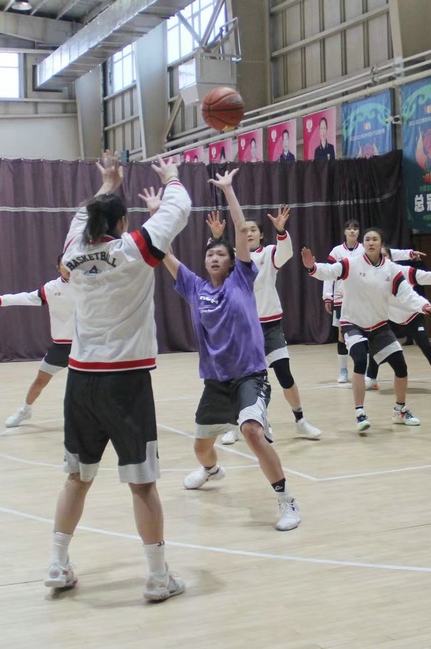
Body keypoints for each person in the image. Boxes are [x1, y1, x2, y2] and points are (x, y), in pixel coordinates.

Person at [47, 152, 190, 601]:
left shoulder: (73, 253)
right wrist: (172, 178)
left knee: (77, 477)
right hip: (125, 381)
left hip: (80, 379)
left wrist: (108, 184)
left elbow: (80, 218)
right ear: (124, 222)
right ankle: (157, 577)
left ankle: (57, 565)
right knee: (141, 483)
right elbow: (177, 210)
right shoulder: (132, 249)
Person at [165, 168, 301, 532]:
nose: (214, 257)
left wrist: (228, 190)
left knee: (252, 431)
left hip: (250, 375)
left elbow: (241, 232)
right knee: (200, 449)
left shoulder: (241, 278)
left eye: (220, 254)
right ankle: (211, 470)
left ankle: (286, 500)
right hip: (215, 381)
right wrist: (159, 212)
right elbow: (164, 252)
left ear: (231, 261)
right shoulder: (194, 288)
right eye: (210, 254)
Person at [302, 228, 431, 432]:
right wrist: (312, 267)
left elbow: (406, 294)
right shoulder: (351, 264)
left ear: (381, 244)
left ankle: (400, 411)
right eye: (367, 239)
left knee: (401, 367)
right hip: (353, 323)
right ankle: (360, 413)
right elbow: (330, 271)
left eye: (375, 239)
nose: (370, 242)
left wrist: (424, 306)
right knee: (360, 359)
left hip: (379, 326)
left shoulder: (390, 269)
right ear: (363, 243)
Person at [205, 206, 322, 445]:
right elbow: (213, 260)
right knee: (235, 379)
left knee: (284, 373)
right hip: (241, 329)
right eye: (245, 229)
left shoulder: (269, 254)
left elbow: (286, 252)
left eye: (253, 229)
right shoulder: (233, 257)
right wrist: (216, 237)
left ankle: (300, 420)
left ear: (261, 235)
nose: (249, 233)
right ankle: (233, 426)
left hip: (270, 326)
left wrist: (281, 231)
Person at [0, 254, 74, 427]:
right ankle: (25, 410)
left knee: (93, 384)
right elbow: (27, 297)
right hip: (61, 347)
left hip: (85, 346)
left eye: (71, 264)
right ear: (58, 267)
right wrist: (0, 300)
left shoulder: (90, 285)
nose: (68, 268)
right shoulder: (51, 288)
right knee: (40, 381)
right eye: (64, 265)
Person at [321, 221, 423, 383]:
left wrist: (409, 254)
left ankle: (368, 373)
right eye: (349, 229)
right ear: (344, 232)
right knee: (342, 336)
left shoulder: (366, 248)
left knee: (368, 336)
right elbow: (328, 273)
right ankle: (343, 370)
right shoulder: (337, 251)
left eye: (355, 229)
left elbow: (389, 253)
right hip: (342, 298)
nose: (352, 231)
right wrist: (328, 296)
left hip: (364, 297)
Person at [364, 249, 431, 393]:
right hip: (391, 318)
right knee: (377, 344)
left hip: (412, 315)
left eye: (385, 255)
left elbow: (425, 276)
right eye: (380, 256)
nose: (382, 258)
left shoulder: (401, 271)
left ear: (391, 258)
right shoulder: (371, 275)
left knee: (425, 346)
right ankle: (371, 378)